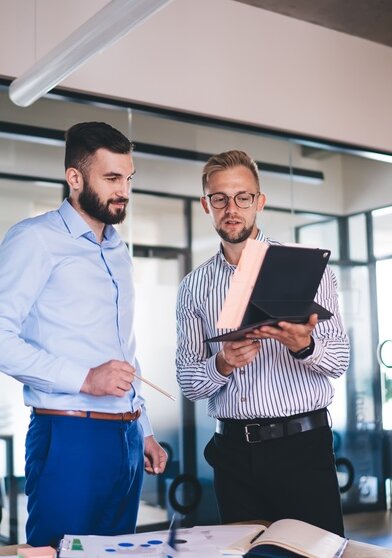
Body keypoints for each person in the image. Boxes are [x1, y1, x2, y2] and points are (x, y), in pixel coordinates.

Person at [0, 121, 168, 547]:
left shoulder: (118, 249)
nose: (123, 190)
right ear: (74, 178)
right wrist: (84, 378)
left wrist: (143, 427)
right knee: (59, 554)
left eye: (128, 178)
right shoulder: (34, 240)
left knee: (115, 555)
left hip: (126, 438)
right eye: (111, 178)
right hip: (68, 436)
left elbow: (123, 349)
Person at [176, 150, 350, 535]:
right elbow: (189, 383)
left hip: (303, 448)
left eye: (242, 197)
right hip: (233, 455)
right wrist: (221, 363)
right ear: (207, 204)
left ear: (260, 202)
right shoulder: (194, 287)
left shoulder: (309, 269)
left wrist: (304, 344)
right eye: (219, 198)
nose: (231, 208)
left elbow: (338, 360)